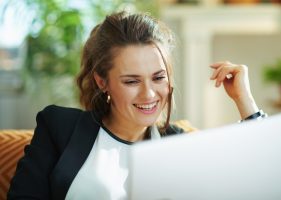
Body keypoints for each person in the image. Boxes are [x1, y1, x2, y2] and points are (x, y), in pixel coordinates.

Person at [7, 11, 267, 200]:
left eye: (158, 77)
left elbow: (265, 183)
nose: (149, 94)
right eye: (131, 81)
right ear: (102, 81)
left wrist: (245, 101)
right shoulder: (58, 127)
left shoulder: (181, 146)